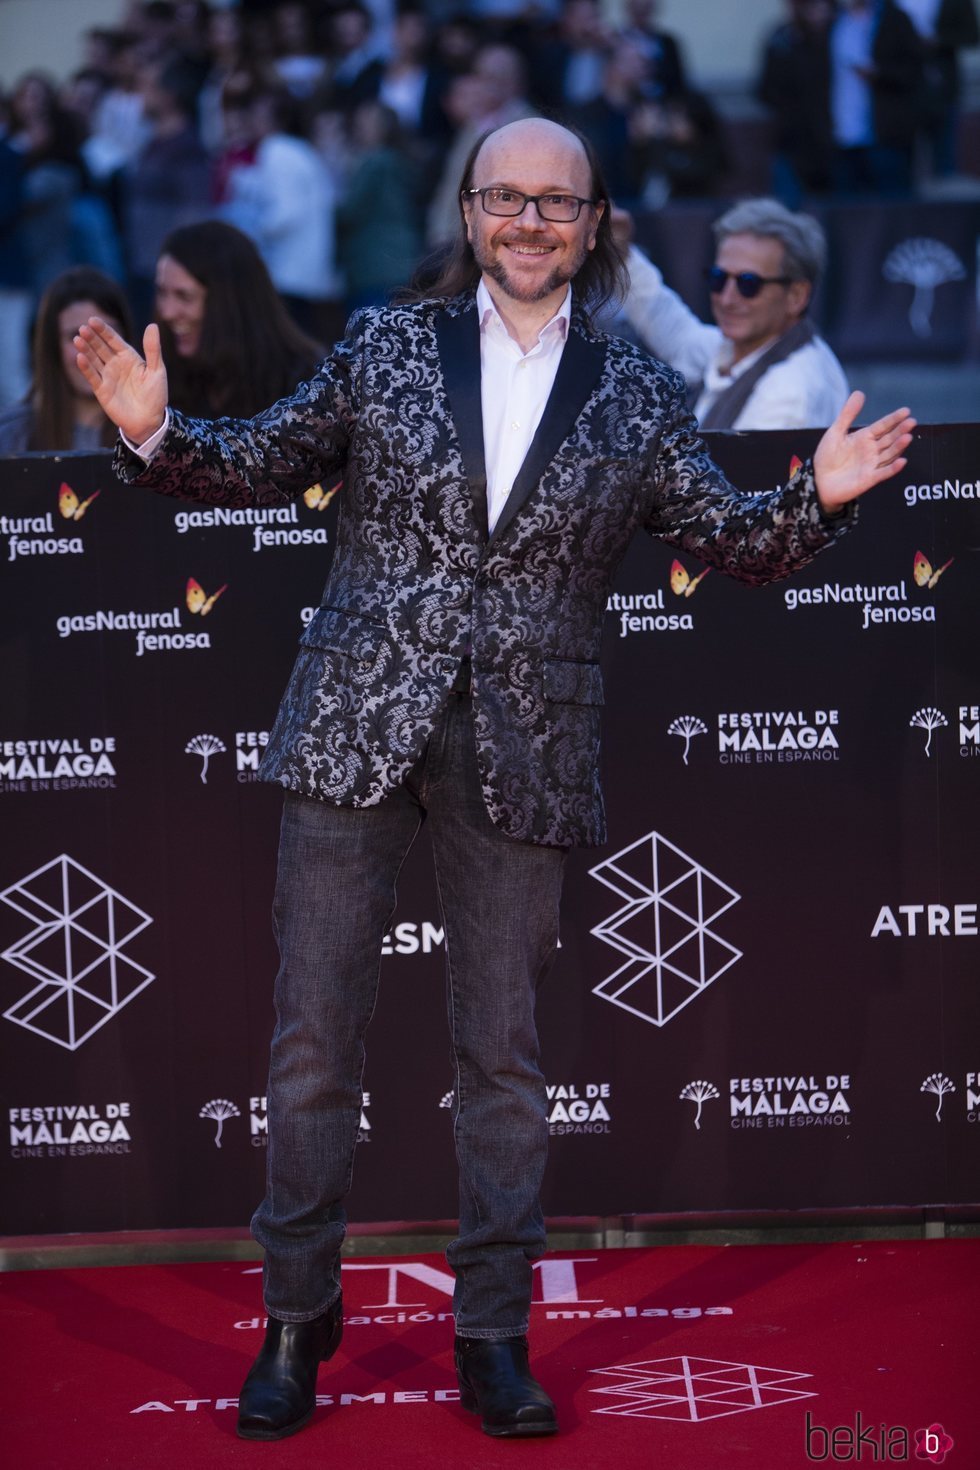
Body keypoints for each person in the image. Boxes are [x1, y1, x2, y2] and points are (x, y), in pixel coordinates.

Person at [74, 117, 914, 1444]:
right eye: (507, 198)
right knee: (309, 1048)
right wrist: (154, 429)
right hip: (355, 727)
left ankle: (493, 1333)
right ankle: (296, 1317)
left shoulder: (636, 389)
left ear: (593, 225)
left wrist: (818, 496)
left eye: (558, 204)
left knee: (506, 1062)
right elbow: (254, 460)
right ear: (471, 214)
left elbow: (734, 542)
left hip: (525, 750)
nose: (531, 222)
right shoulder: (384, 344)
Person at [614, 197, 850, 430]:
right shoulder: (743, 348)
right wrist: (619, 253)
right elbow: (675, 333)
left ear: (796, 296)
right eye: (719, 278)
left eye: (749, 283)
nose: (726, 299)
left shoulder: (790, 390)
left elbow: (742, 469)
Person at [154, 220, 324, 419]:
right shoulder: (165, 377)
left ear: (230, 302)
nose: (167, 312)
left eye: (185, 296)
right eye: (161, 293)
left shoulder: (303, 384)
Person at [0, 265, 131, 451]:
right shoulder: (9, 438)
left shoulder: (162, 433)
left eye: (103, 335)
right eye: (75, 336)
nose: (91, 351)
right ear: (52, 347)